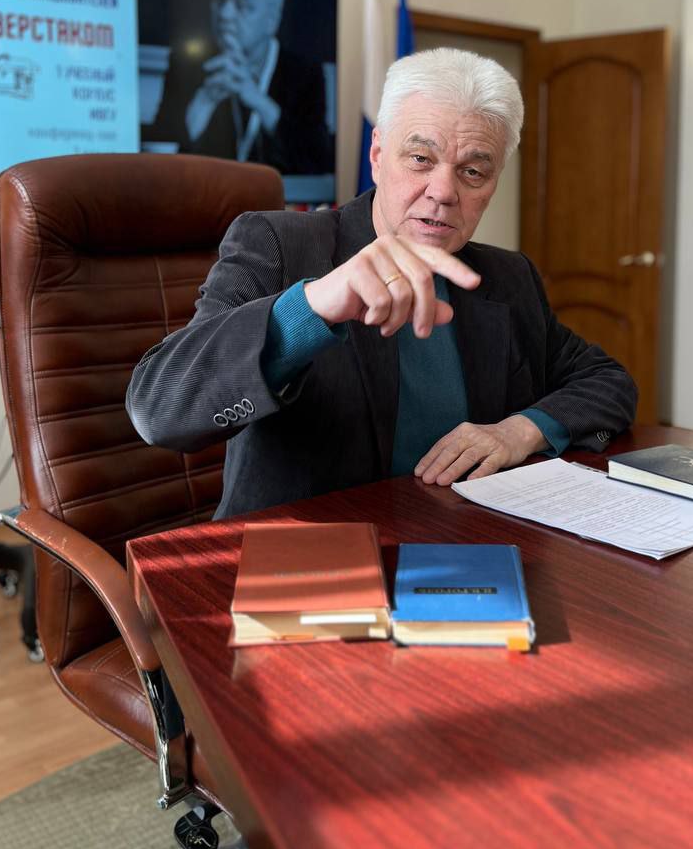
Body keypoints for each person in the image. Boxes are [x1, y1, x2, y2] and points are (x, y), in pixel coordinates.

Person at [126, 48, 637, 519]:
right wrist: (313, 306)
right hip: (306, 555)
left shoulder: (508, 277)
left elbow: (608, 382)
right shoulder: (279, 243)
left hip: (466, 542)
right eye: (420, 159)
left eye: (472, 172)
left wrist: (519, 431)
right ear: (376, 155)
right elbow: (159, 409)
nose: (443, 191)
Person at [182, 0, 331, 175]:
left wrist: (258, 100)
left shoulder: (305, 73)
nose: (225, 14)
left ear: (272, 19)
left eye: (242, 5)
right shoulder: (188, 68)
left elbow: (318, 162)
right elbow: (160, 162)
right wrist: (204, 102)